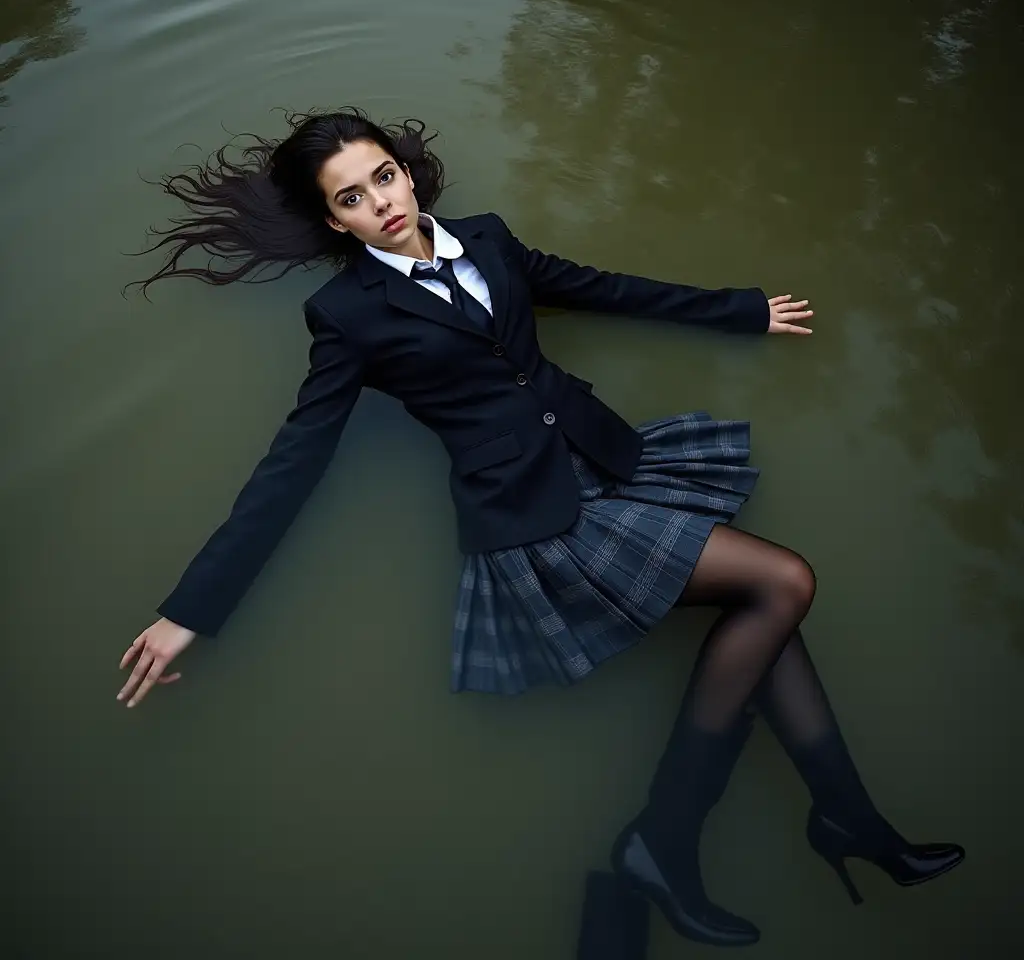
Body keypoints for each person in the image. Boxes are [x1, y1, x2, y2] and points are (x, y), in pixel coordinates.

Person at [117, 109, 964, 948]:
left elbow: (597, 287)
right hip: (536, 519)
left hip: (604, 458)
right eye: (351, 198)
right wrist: (191, 610)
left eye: (383, 177)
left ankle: (841, 821)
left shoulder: (484, 238)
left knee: (764, 613)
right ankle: (670, 839)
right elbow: (294, 460)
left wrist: (740, 311)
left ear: (406, 172)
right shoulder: (347, 315)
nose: (379, 202)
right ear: (335, 221)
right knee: (783, 584)